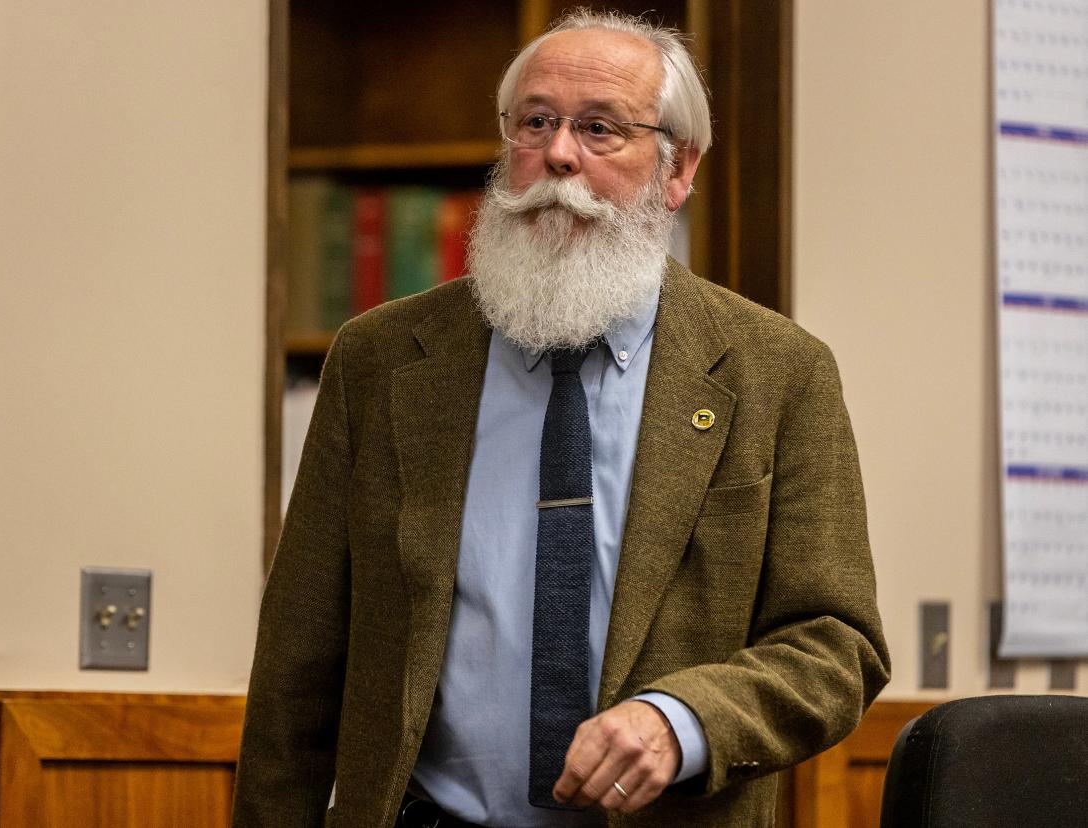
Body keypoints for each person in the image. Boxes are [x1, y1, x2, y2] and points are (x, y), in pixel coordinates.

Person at [233, 9, 889, 828]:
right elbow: (300, 657)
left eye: (601, 129)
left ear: (678, 168)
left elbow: (835, 645)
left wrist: (679, 722)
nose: (559, 156)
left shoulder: (777, 373)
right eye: (535, 122)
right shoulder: (382, 360)